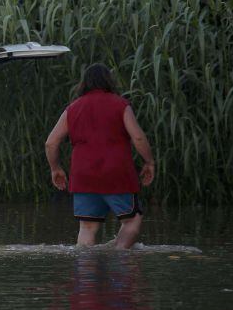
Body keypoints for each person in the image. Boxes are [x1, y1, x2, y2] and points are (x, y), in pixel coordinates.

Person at [45, 63, 155, 249]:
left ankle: (86, 273)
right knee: (132, 221)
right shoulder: (120, 104)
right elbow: (137, 136)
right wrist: (149, 162)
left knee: (87, 227)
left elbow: (51, 142)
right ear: (109, 81)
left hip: (83, 174)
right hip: (116, 172)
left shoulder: (72, 109)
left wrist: (55, 168)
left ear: (84, 84)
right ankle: (119, 256)